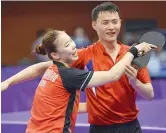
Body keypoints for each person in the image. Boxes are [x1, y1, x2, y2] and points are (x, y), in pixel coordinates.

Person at [1, 2, 155, 133]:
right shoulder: (84, 55)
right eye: (105, 22)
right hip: (99, 128)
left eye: (115, 21)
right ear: (94, 25)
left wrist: (135, 83)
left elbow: (149, 95)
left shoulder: (135, 56)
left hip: (131, 126)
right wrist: (8, 82)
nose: (111, 27)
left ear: (121, 22)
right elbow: (40, 68)